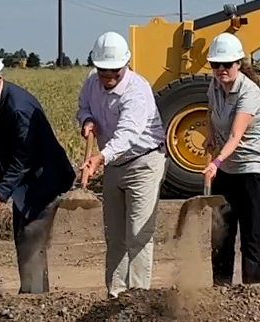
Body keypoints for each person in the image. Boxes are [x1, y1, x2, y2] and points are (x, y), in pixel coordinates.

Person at [0, 49, 78, 293]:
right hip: (24, 183)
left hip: (43, 180)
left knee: (30, 236)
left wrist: (0, 193)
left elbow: (24, 156)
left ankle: (34, 299)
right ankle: (35, 292)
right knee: (23, 235)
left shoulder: (18, 108)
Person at [77, 31, 167, 297]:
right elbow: (83, 107)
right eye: (104, 70)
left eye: (115, 71)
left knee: (138, 233)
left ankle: (137, 297)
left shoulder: (137, 90)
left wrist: (99, 158)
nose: (109, 77)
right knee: (115, 235)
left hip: (143, 162)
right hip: (114, 165)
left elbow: (127, 135)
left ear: (126, 64)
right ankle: (116, 293)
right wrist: (86, 121)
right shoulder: (91, 83)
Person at [202, 33, 260, 285]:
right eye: (215, 65)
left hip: (253, 172)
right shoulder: (214, 86)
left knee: (250, 237)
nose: (221, 70)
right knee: (221, 235)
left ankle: (251, 293)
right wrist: (210, 136)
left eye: (227, 64)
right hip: (227, 171)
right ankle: (220, 290)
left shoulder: (249, 93)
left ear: (238, 64)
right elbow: (211, 112)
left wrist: (216, 162)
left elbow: (235, 135)